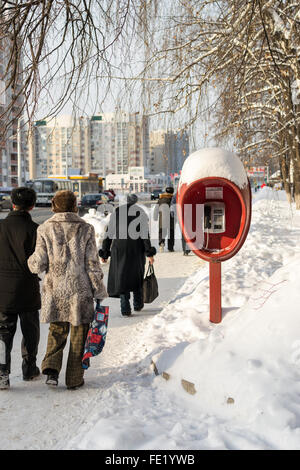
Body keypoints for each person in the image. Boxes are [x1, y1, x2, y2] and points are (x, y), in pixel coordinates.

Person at [28, 190, 107, 389]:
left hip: (56, 290)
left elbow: (38, 264)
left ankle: (52, 371)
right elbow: (92, 264)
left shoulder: (45, 229)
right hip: (80, 291)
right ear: (74, 205)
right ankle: (74, 379)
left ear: (55, 206)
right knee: (79, 335)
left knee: (56, 330)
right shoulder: (86, 229)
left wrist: (30, 262)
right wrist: (98, 289)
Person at [0, 187, 41, 390]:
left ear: (12, 203)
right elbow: (40, 262)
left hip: (2, 289)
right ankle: (29, 369)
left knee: (3, 332)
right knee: (30, 330)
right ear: (32, 206)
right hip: (27, 287)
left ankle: (1, 373)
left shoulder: (1, 226)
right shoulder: (35, 229)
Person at [99, 194, 156, 316]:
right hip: (136, 249)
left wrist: (105, 252)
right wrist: (149, 253)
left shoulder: (116, 214)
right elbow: (145, 235)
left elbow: (108, 234)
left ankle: (125, 308)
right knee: (137, 275)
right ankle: (138, 304)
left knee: (122, 277)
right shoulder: (140, 213)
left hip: (119, 249)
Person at [153, 186, 175, 252]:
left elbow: (156, 209)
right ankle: (170, 248)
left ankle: (161, 244)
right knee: (171, 233)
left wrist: (155, 217)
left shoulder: (161, 199)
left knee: (162, 232)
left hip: (162, 219)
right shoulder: (173, 199)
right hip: (171, 219)